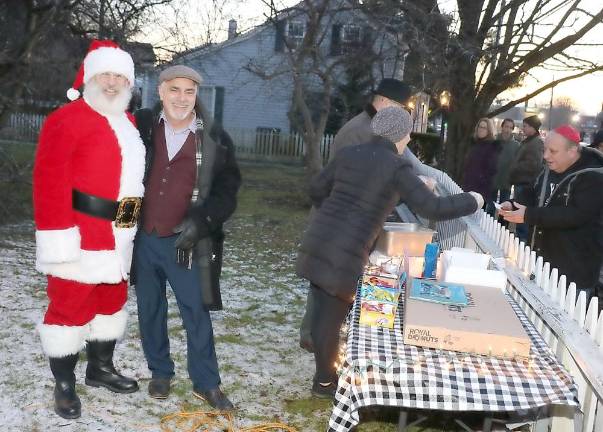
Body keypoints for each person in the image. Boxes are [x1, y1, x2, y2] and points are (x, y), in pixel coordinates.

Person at [296, 107, 483, 398]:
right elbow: (432, 207)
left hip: (320, 240)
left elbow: (317, 189)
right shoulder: (397, 167)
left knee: (322, 313)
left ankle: (323, 377)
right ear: (403, 134)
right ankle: (323, 382)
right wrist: (473, 200)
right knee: (331, 322)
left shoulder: (350, 154)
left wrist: (343, 205)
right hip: (345, 253)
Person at [33, 40, 144, 419]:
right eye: (104, 75)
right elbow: (49, 183)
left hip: (119, 236)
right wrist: (59, 239)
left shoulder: (127, 121)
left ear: (128, 83)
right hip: (79, 235)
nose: (112, 84)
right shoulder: (65, 119)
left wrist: (129, 232)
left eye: (119, 76)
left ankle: (100, 369)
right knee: (69, 309)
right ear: (90, 78)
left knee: (111, 305)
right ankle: (64, 385)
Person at [132, 65, 241, 410]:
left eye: (189, 92)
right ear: (161, 92)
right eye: (175, 90)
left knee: (195, 311)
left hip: (186, 241)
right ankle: (160, 371)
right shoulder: (142, 128)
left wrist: (201, 221)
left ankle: (206, 382)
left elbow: (228, 191)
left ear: (197, 96)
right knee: (150, 308)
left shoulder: (215, 138)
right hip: (144, 238)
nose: (182, 98)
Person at [300, 78, 414, 353]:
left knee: (327, 289)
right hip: (337, 223)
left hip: (347, 222)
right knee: (323, 289)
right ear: (384, 102)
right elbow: (341, 181)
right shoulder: (359, 131)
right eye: (401, 107)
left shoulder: (375, 127)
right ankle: (313, 339)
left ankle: (320, 338)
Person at [501, 125, 603, 301]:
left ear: (572, 151)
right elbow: (533, 194)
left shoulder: (594, 177)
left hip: (574, 273)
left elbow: (575, 215)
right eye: (544, 149)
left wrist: (529, 215)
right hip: (543, 264)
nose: (546, 156)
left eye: (553, 151)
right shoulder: (549, 170)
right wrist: (514, 204)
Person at [508, 115, 544, 241]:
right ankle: (520, 239)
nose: (523, 128)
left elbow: (534, 165)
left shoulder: (536, 142)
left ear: (533, 128)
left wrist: (515, 166)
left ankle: (522, 242)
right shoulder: (529, 141)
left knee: (522, 217)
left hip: (525, 184)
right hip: (521, 181)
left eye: (525, 126)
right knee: (520, 216)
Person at [462, 118, 500, 212]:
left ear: (489, 130)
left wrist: (482, 186)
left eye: (484, 128)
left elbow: (491, 170)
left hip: (480, 190)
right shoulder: (475, 143)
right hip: (469, 185)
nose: (481, 129)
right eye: (479, 126)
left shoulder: (491, 146)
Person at [493, 118, 520, 204]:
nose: (508, 130)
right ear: (502, 127)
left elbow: (517, 164)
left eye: (510, 128)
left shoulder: (516, 145)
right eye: (506, 126)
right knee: (490, 207)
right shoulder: (493, 142)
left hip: (507, 182)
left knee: (504, 207)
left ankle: (500, 218)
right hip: (492, 180)